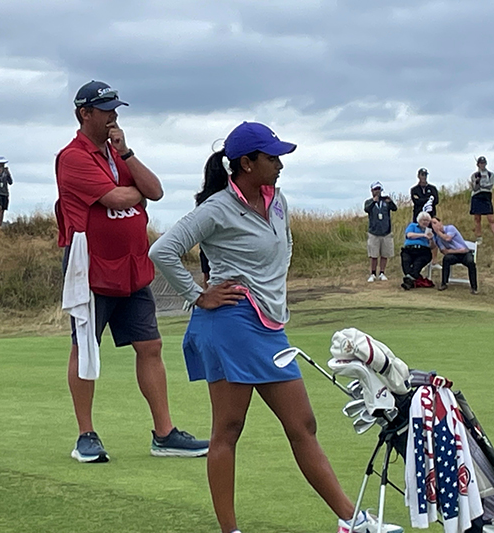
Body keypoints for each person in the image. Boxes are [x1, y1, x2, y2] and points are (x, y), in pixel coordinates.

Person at [149, 122, 402, 533]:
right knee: (229, 429)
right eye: (272, 157)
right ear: (247, 164)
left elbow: (282, 248)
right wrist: (198, 295)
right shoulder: (216, 208)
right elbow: (163, 250)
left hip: (268, 327)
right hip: (230, 323)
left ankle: (351, 521)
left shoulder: (277, 200)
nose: (280, 164)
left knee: (302, 424)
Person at [55, 80, 208, 463]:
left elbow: (154, 190)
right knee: (85, 347)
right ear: (84, 114)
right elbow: (118, 197)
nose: (113, 116)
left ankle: (164, 434)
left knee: (150, 346)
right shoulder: (72, 157)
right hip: (90, 267)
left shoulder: (118, 153)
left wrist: (127, 154)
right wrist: (133, 190)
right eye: (105, 110)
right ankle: (86, 435)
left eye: (115, 109)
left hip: (132, 265)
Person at [430, 217, 478, 294]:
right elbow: (444, 251)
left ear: (440, 222)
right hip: (455, 254)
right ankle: (444, 283)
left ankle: (474, 287)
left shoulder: (450, 228)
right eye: (432, 224)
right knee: (446, 259)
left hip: (465, 253)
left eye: (435, 223)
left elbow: (448, 238)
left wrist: (438, 232)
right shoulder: (438, 238)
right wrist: (458, 251)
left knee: (471, 262)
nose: (434, 225)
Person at [363, 181, 397, 282]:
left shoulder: (385, 201)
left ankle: (382, 272)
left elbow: (394, 208)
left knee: (384, 254)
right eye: (375, 189)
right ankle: (373, 273)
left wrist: (390, 201)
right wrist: (374, 201)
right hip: (374, 232)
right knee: (373, 255)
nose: (377, 191)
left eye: (379, 189)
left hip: (386, 232)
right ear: (372, 191)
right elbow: (366, 209)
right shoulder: (369, 202)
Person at [469, 156, 494, 247]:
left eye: (483, 163)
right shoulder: (474, 175)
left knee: (491, 218)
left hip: (486, 196)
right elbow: (474, 188)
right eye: (481, 163)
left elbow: (490, 185)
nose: (482, 165)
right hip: (477, 196)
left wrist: (481, 184)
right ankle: (479, 238)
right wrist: (477, 182)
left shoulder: (490, 174)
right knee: (477, 218)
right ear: (478, 164)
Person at [400, 211, 434, 290]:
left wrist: (431, 239)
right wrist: (423, 235)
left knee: (418, 263)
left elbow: (432, 246)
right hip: (409, 249)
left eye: (427, 220)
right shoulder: (412, 226)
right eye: (423, 220)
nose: (425, 222)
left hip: (423, 251)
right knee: (405, 260)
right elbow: (409, 235)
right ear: (419, 220)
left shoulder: (430, 231)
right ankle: (411, 280)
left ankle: (408, 281)